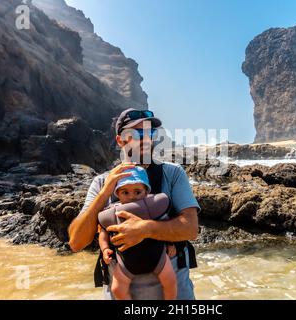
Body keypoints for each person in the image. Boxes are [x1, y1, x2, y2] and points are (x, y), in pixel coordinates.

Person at [68, 108, 201, 300]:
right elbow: (76, 242)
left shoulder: (172, 174)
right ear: (120, 140)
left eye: (150, 133)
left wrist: (145, 229)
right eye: (137, 133)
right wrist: (105, 192)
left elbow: (191, 229)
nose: (146, 139)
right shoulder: (101, 183)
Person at [99, 166, 177, 300]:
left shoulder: (153, 206)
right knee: (117, 289)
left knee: (170, 282)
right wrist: (105, 248)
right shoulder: (113, 212)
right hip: (126, 263)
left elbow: (165, 225)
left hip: (158, 257)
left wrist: (170, 243)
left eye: (137, 192)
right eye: (125, 192)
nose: (131, 197)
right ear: (117, 193)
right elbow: (104, 233)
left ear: (146, 192)